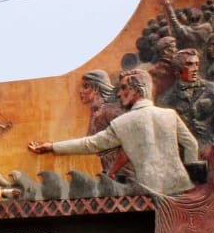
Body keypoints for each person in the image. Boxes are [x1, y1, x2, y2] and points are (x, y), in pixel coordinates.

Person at [29, 69, 199, 196]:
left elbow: (90, 144)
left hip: (148, 190)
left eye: (123, 87)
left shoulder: (123, 122)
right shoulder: (169, 115)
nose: (118, 93)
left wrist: (52, 146)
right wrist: (193, 176)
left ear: (137, 89)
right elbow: (191, 144)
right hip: (182, 186)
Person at [159, 48, 214, 162]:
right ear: (177, 70)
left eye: (197, 64)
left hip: (213, 151)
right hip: (183, 156)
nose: (195, 69)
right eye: (189, 64)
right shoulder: (166, 99)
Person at [77, 69, 128, 178]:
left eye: (86, 86)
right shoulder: (96, 111)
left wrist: (114, 170)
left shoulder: (110, 110)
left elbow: (129, 143)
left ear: (96, 88)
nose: (80, 91)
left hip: (124, 173)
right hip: (110, 172)